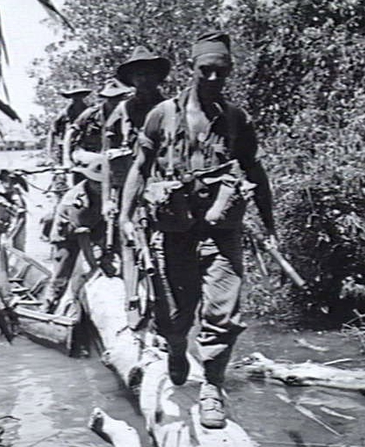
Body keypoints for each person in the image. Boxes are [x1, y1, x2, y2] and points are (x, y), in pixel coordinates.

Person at [119, 31, 277, 429]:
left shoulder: (236, 119)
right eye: (205, 71)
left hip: (222, 227)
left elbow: (255, 169)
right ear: (191, 69)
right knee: (174, 315)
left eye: (220, 73)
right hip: (174, 227)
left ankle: (211, 385)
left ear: (229, 73)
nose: (212, 80)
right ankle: (175, 347)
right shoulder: (162, 115)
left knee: (223, 310)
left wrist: (269, 223)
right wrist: (124, 214)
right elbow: (139, 167)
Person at [102, 47, 171, 327]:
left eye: (148, 73)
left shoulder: (170, 108)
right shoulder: (123, 110)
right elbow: (107, 158)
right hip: (131, 189)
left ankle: (165, 314)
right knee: (129, 244)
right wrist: (108, 198)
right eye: (138, 74)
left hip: (162, 189)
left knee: (165, 250)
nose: (143, 79)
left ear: (157, 77)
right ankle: (132, 304)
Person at [41, 154, 107, 316]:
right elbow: (82, 237)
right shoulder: (78, 201)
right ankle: (48, 305)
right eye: (95, 182)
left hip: (93, 226)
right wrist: (93, 265)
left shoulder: (106, 192)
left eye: (102, 182)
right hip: (67, 235)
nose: (99, 186)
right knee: (62, 272)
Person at [67, 79, 132, 179]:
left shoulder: (125, 114)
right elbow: (70, 133)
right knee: (103, 162)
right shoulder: (92, 113)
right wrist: (67, 159)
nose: (114, 101)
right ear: (105, 98)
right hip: (86, 153)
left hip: (113, 155)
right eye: (110, 98)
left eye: (118, 97)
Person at [47, 86, 93, 165]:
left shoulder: (90, 112)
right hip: (66, 148)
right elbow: (52, 132)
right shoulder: (64, 113)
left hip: (85, 148)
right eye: (74, 95)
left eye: (79, 95)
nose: (77, 98)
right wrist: (49, 154)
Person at [0, 170, 27, 252]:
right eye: (5, 181)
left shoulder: (16, 196)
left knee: (18, 248)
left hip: (17, 225)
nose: (8, 184)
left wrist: (14, 232)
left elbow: (21, 216)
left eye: (10, 181)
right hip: (4, 227)